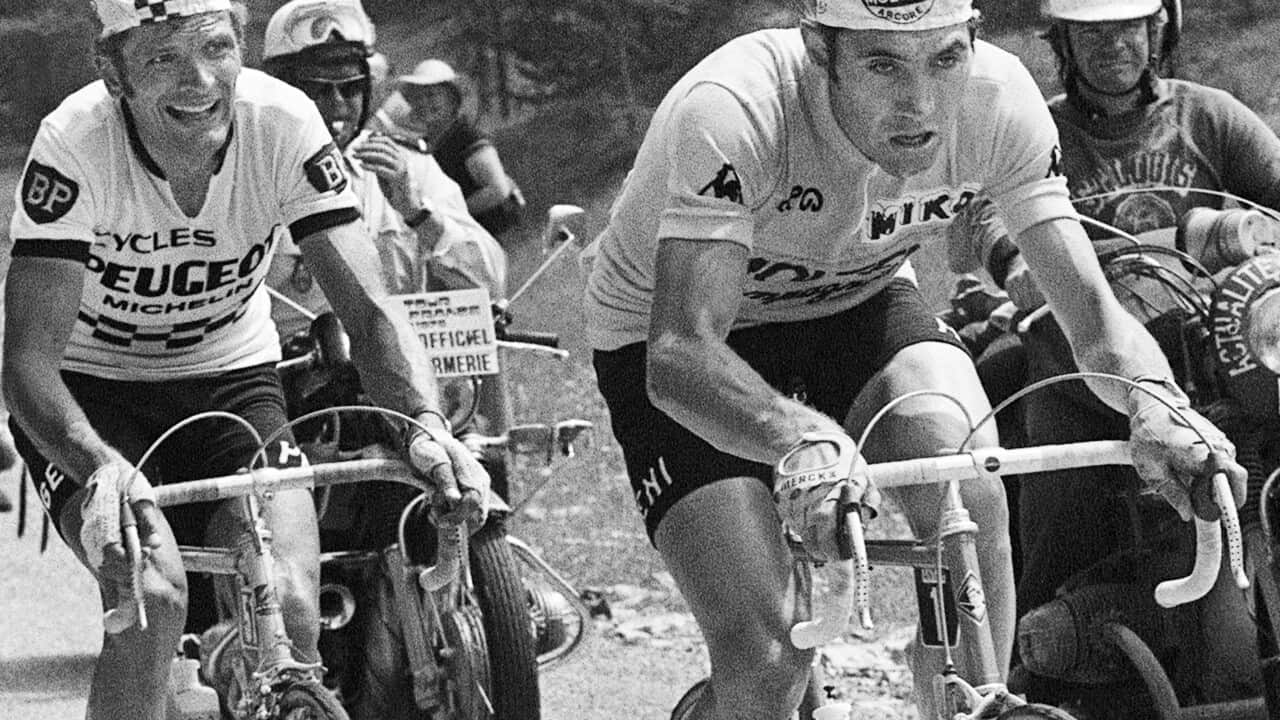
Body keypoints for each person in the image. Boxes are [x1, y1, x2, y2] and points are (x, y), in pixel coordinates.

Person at [579, 0, 1249, 718]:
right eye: (881, 63)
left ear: (973, 41)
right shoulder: (735, 107)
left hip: (857, 306)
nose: (920, 102)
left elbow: (1094, 320)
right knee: (770, 656)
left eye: (944, 58)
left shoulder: (999, 98)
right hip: (681, 338)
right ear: (818, 51)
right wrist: (802, 438)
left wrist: (1161, 406)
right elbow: (681, 352)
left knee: (967, 477)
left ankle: (968, 699)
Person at [2, 2, 489, 719]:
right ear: (112, 73)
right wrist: (98, 467)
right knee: (153, 596)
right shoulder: (74, 144)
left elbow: (371, 311)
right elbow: (23, 365)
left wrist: (422, 421)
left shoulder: (284, 123)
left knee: (290, 609)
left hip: (232, 377)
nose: (200, 82)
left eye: (217, 48)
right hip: (91, 391)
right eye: (162, 58)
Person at [953, 0, 1280, 712]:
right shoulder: (1033, 130)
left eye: (1128, 27)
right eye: (1092, 31)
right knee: (1058, 464)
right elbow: (991, 234)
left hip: (1222, 352)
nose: (1113, 46)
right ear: (1062, 40)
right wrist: (1188, 237)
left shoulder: (1210, 117)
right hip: (1086, 364)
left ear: (1161, 28)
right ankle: (1038, 672)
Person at [260, 0, 513, 478]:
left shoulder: (406, 167)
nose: (337, 107)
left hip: (408, 386)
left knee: (476, 473)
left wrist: (416, 211)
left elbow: (490, 276)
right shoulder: (251, 180)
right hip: (299, 402)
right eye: (318, 91)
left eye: (351, 89)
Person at [388, 59, 525, 240]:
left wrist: (450, 214)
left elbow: (498, 189)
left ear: (452, 100)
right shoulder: (428, 143)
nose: (423, 103)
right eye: (418, 97)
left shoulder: (468, 139)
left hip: (494, 237)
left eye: (431, 96)